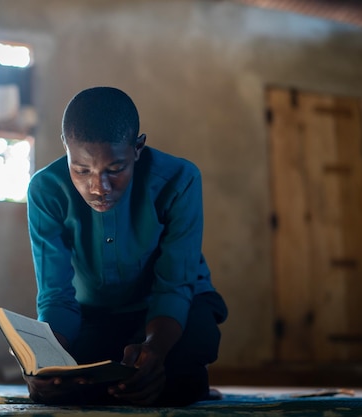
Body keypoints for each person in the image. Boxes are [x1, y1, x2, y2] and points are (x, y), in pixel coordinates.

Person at [25, 86, 228, 406]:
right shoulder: (45, 190)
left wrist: (155, 351)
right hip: (97, 314)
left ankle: (183, 376)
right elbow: (56, 296)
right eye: (81, 170)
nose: (97, 187)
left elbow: (175, 286)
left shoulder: (180, 179)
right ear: (65, 146)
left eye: (114, 170)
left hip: (174, 308)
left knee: (180, 375)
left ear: (137, 148)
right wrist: (44, 363)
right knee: (71, 385)